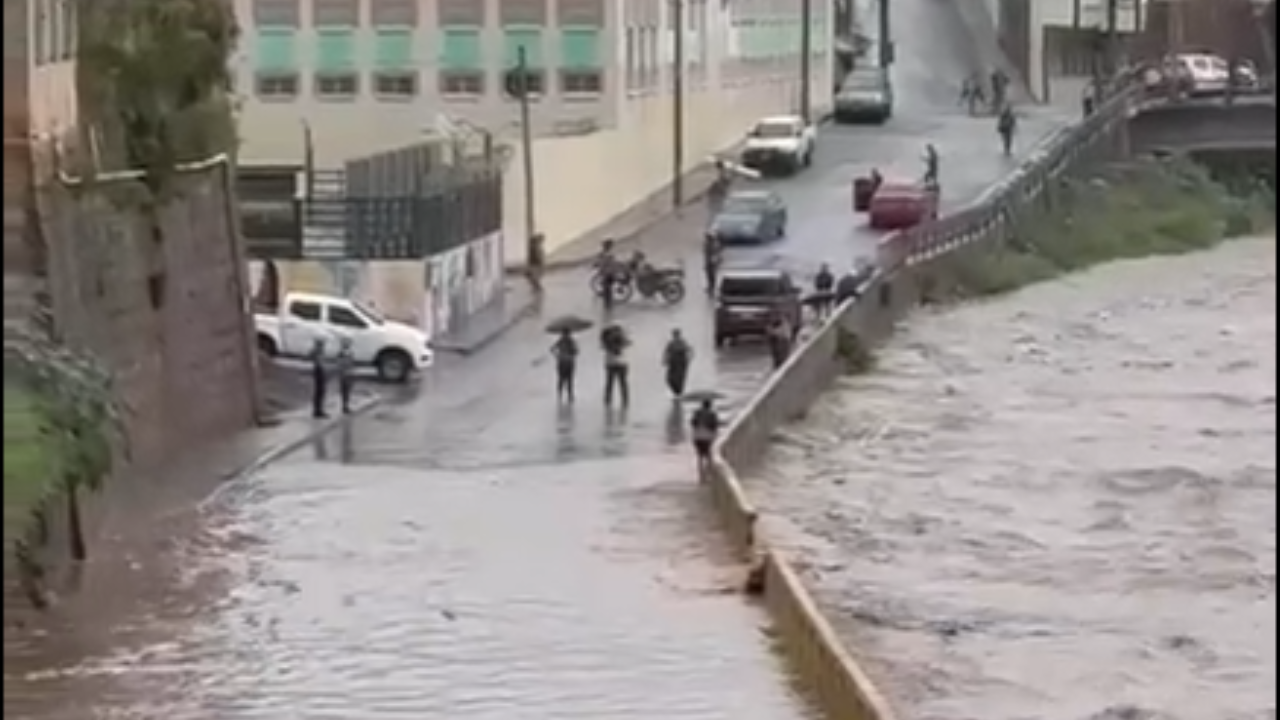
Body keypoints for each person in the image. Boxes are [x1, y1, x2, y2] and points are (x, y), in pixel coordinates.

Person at [601, 323, 630, 407]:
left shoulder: (607, 340)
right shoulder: (621, 340)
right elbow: (626, 344)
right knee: (622, 383)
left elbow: (604, 347)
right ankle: (625, 401)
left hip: (612, 364)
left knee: (610, 383)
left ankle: (608, 400)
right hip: (620, 363)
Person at [690, 399, 721, 473]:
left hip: (697, 436)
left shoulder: (697, 413)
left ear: (702, 405)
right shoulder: (712, 414)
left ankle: (700, 471)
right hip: (707, 437)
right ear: (710, 406)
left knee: (700, 455)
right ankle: (710, 470)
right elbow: (714, 426)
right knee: (708, 453)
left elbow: (693, 423)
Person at [663, 329, 693, 398]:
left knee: (680, 379)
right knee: (669, 379)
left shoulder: (682, 342)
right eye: (674, 334)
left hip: (681, 362)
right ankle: (676, 393)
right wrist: (665, 360)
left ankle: (678, 394)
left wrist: (689, 358)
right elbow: (666, 352)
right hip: (673, 363)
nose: (675, 336)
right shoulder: (671, 343)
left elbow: (690, 350)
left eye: (676, 334)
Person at [550, 329, 579, 403]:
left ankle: (564, 395)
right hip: (567, 362)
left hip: (564, 362)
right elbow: (576, 352)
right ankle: (568, 395)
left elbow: (552, 349)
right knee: (566, 379)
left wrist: (557, 355)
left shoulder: (562, 341)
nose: (565, 336)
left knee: (564, 379)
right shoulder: (570, 342)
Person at [308, 337, 329, 418]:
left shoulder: (320, 351)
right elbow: (311, 356)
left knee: (321, 391)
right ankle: (317, 410)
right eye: (321, 344)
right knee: (319, 391)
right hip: (318, 370)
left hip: (320, 370)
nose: (323, 345)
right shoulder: (317, 351)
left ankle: (319, 409)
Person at [336, 337, 356, 414]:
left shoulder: (349, 353)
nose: (348, 344)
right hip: (344, 374)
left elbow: (351, 363)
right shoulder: (341, 353)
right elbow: (340, 364)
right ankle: (345, 406)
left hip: (348, 373)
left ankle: (346, 405)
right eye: (346, 343)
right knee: (345, 391)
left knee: (347, 391)